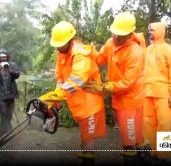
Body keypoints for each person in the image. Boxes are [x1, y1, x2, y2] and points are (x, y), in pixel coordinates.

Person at [84, 12, 145, 164]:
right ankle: (143, 155)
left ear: (130, 34)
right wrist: (90, 51)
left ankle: (146, 156)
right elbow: (100, 58)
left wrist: (104, 88)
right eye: (114, 33)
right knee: (133, 137)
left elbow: (127, 83)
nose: (116, 37)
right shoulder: (112, 43)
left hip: (130, 101)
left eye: (120, 35)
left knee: (129, 140)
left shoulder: (135, 53)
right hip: (121, 98)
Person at [47, 20, 106, 164]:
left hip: (90, 104)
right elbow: (60, 79)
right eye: (56, 45)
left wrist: (59, 95)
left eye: (60, 44)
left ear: (69, 40)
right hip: (78, 103)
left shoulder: (80, 53)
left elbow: (77, 80)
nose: (58, 48)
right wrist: (55, 101)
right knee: (84, 138)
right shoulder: (62, 53)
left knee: (88, 141)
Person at [143, 22, 171, 163]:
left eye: (152, 30)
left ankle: (165, 156)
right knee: (147, 124)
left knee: (164, 124)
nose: (149, 32)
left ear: (159, 31)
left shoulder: (168, 50)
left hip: (163, 94)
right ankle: (151, 153)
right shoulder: (147, 50)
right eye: (149, 30)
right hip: (147, 93)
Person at [0, 48, 20, 137]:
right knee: (3, 114)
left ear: (7, 57)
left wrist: (10, 71)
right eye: (1, 57)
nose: (3, 58)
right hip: (0, 95)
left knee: (9, 115)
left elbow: (17, 74)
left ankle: (1, 132)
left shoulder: (12, 65)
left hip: (10, 94)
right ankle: (9, 131)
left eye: (5, 56)